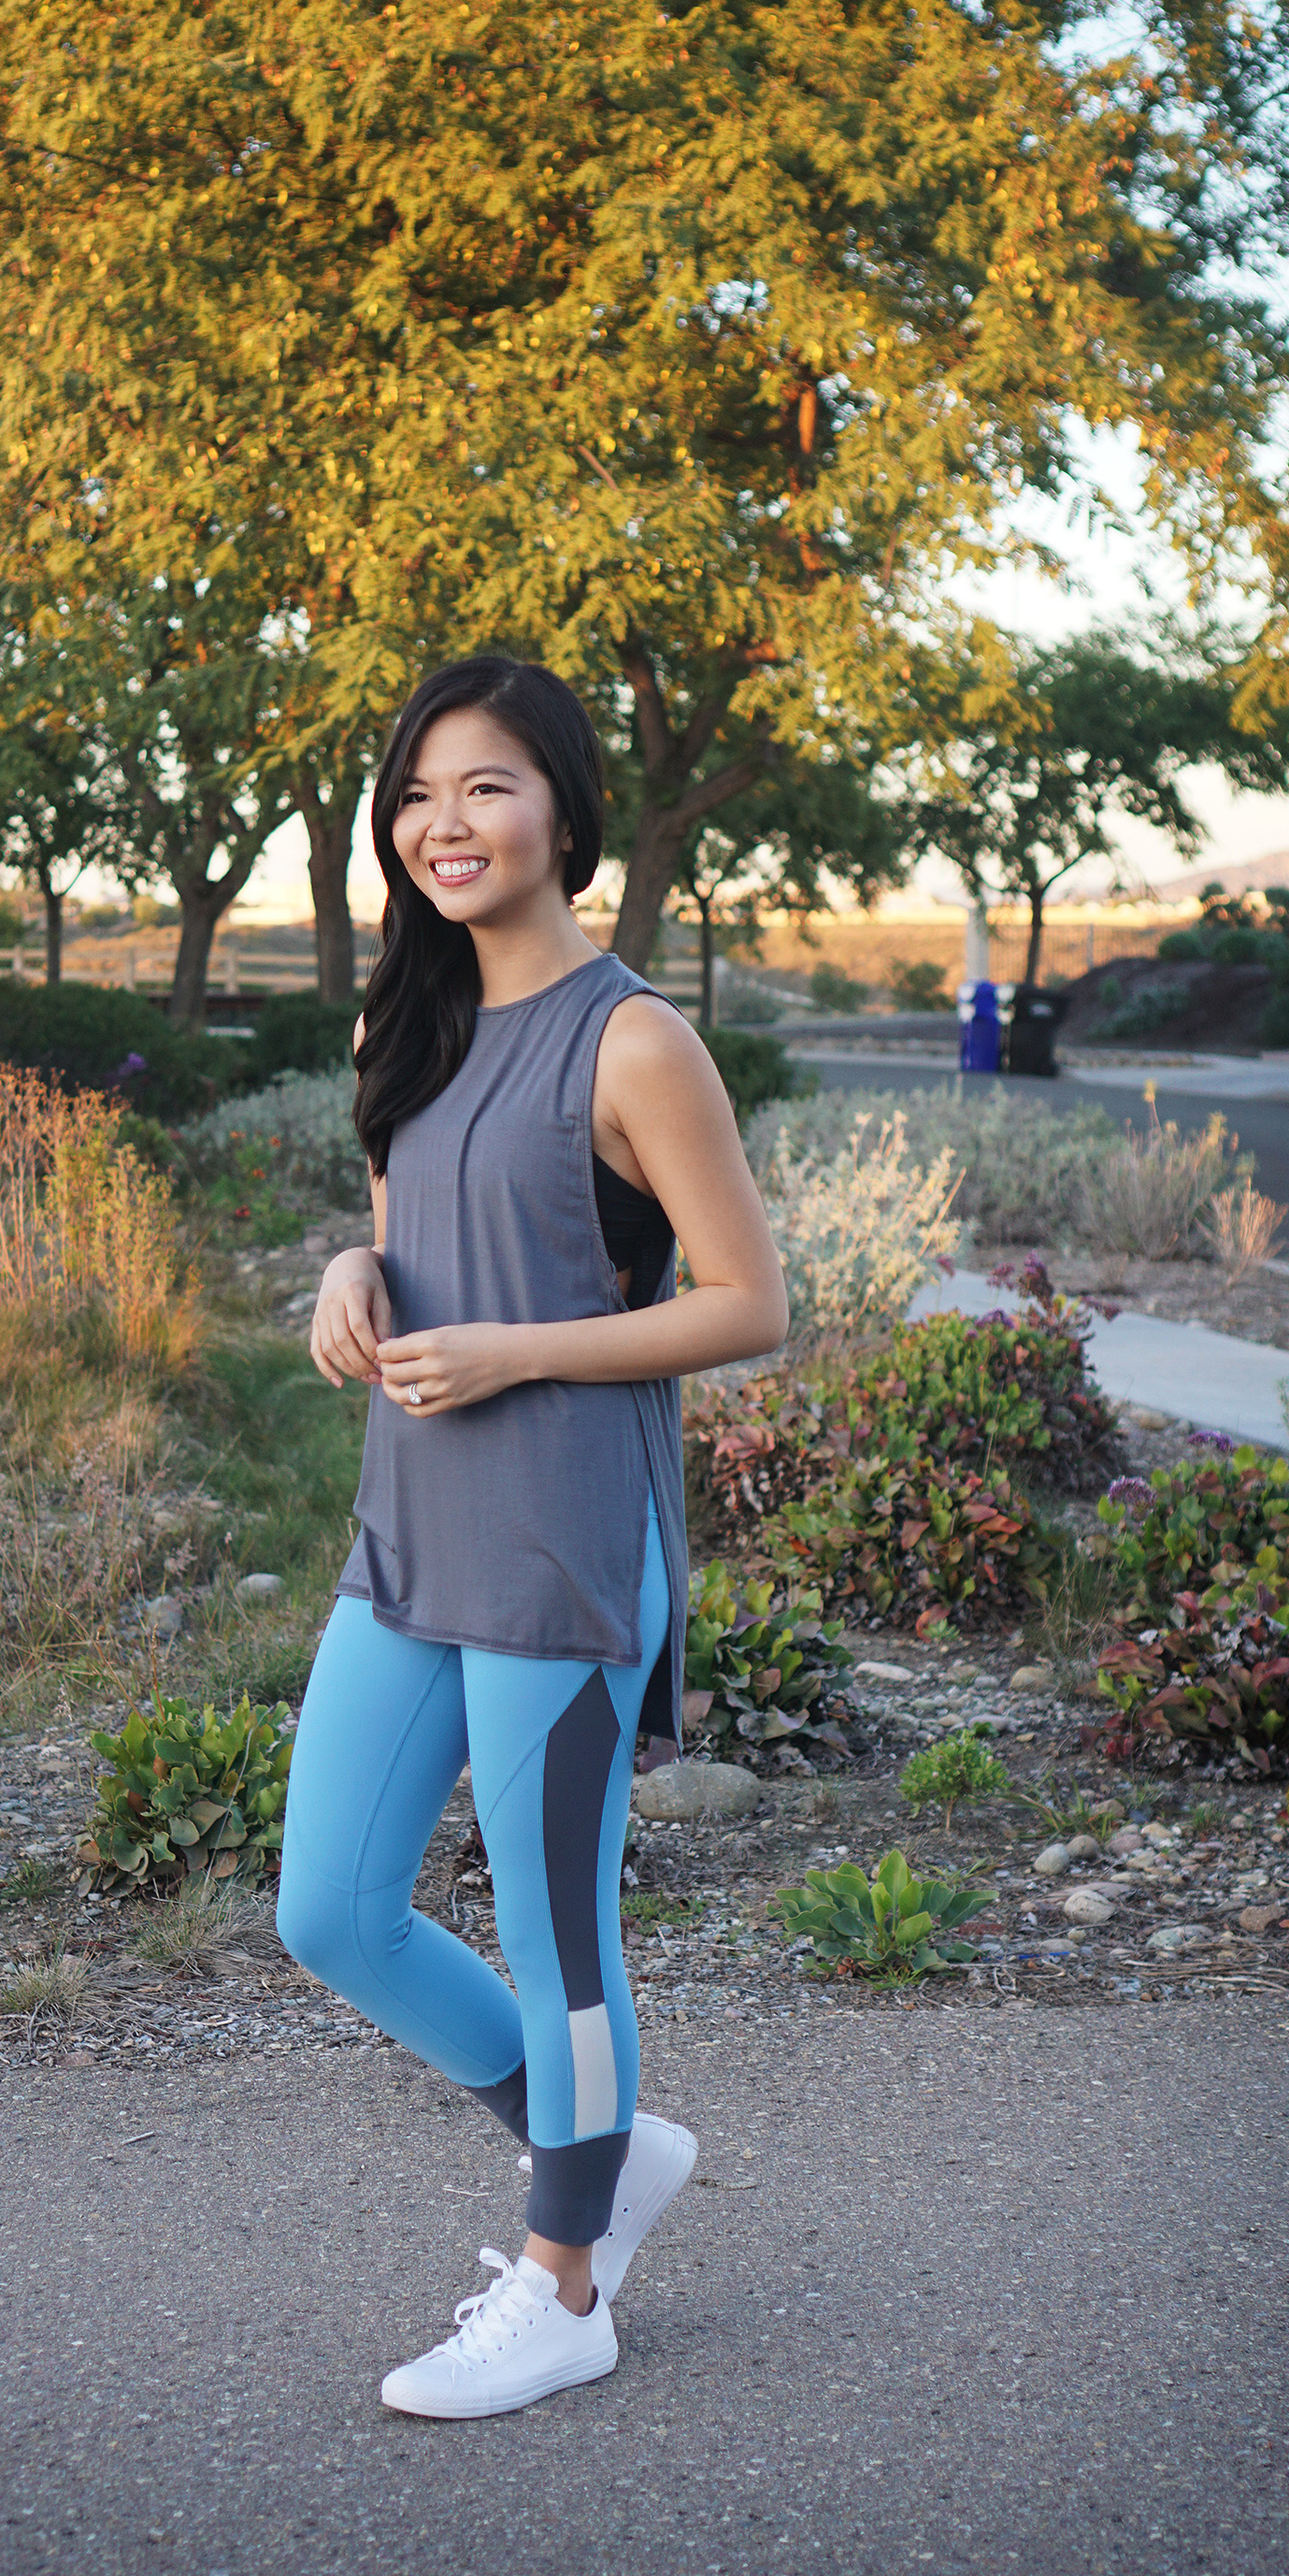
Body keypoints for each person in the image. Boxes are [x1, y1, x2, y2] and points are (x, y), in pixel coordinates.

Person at [276, 655, 789, 2420]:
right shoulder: (398, 1025)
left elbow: (749, 1305)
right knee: (332, 1908)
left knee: (564, 1931)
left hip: (570, 1540)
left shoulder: (637, 1037)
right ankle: (605, 2151)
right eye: (417, 795)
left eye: (485, 787)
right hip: (409, 1530)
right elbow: (406, 1234)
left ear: (561, 806)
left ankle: (566, 2286)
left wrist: (520, 1350)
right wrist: (350, 1272)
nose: (444, 826)